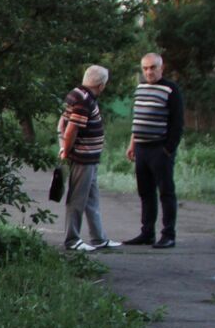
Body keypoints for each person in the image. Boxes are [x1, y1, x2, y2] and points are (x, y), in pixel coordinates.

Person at [124, 52, 184, 248]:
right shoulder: (140, 88)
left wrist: (168, 149)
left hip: (160, 149)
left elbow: (178, 123)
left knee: (166, 192)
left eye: (152, 67)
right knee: (145, 192)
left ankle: (168, 234)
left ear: (161, 68)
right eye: (145, 68)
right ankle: (147, 232)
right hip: (142, 148)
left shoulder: (171, 89)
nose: (149, 71)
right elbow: (137, 119)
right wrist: (132, 143)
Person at [59, 65, 121, 252]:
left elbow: (62, 122)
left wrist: (64, 145)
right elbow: (71, 128)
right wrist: (66, 150)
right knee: (77, 198)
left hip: (90, 158)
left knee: (92, 198)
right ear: (101, 85)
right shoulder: (84, 100)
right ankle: (72, 239)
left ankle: (98, 238)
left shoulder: (76, 93)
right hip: (83, 157)